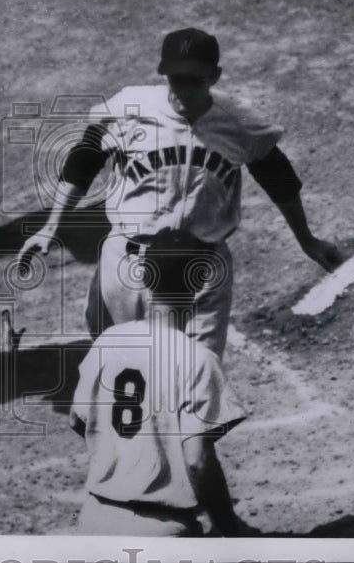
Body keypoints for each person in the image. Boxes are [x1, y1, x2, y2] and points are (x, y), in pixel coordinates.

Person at [18, 27, 343, 359]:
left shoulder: (238, 122)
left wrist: (307, 239)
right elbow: (82, 163)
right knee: (120, 374)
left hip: (201, 267)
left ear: (214, 76)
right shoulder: (130, 108)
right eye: (177, 80)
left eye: (195, 81)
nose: (184, 91)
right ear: (164, 74)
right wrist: (50, 226)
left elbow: (279, 180)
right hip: (127, 262)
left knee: (194, 378)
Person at [69, 228, 256, 536]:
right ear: (200, 281)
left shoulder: (107, 342)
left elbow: (78, 420)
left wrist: (126, 464)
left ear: (144, 276)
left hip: (94, 522)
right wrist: (229, 529)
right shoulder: (197, 359)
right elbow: (197, 460)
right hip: (163, 533)